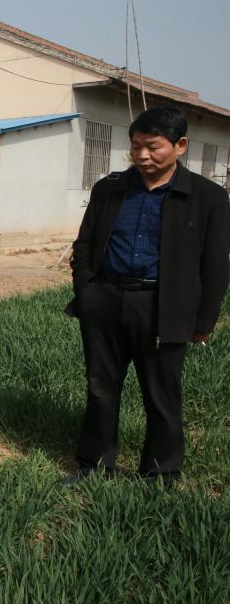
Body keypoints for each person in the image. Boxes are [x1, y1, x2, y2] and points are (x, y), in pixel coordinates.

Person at [66, 106, 229, 484]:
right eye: (136, 146)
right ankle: (94, 466)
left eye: (153, 147)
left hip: (163, 306)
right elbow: (85, 243)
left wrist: (203, 321)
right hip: (106, 301)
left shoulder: (207, 197)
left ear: (180, 146)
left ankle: (160, 474)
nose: (142, 155)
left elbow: (216, 265)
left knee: (162, 393)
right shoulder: (110, 188)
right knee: (101, 389)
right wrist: (87, 290)